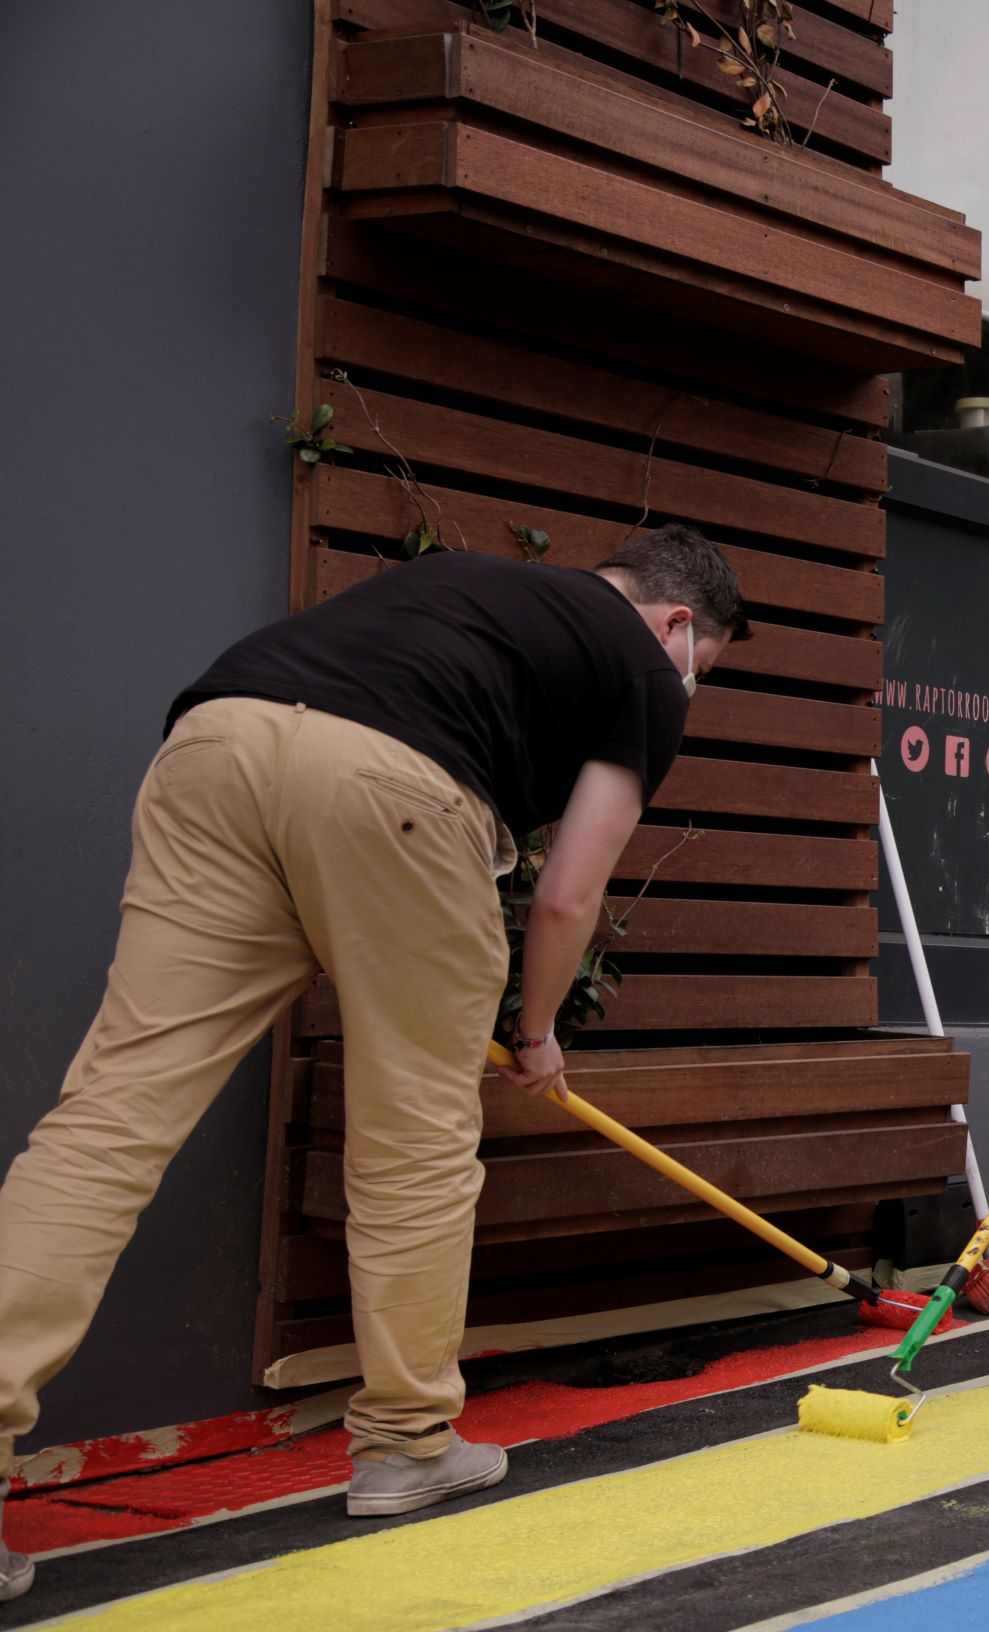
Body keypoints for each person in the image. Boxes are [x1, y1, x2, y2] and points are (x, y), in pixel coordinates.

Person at [0, 528, 745, 1600]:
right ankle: (404, 1444)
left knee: (107, 1124)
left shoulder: (462, 582)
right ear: (677, 623)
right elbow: (571, 893)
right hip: (399, 784)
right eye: (705, 668)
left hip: (216, 743)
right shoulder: (642, 668)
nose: (692, 686)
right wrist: (535, 1032)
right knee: (413, 1145)